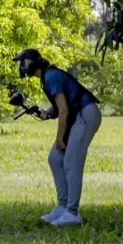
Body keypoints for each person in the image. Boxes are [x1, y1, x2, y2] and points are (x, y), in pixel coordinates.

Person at [12, 49, 102, 226]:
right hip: (77, 115)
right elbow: (62, 105)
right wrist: (46, 113)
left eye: (23, 63)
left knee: (71, 162)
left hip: (85, 114)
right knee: (55, 158)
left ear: (31, 63)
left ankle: (72, 213)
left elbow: (64, 111)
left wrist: (60, 139)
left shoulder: (51, 76)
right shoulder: (48, 76)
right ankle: (62, 206)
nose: (21, 67)